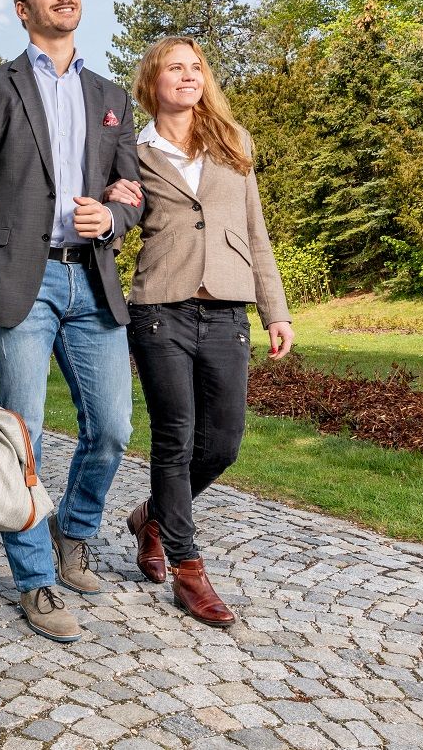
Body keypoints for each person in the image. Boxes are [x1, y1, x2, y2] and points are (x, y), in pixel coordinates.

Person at [0, 0, 143, 642]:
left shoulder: (113, 97)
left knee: (113, 426)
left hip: (91, 276)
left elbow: (131, 189)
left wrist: (111, 217)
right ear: (24, 9)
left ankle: (73, 529)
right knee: (19, 434)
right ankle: (35, 580)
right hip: (17, 283)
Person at [113, 36, 294, 626]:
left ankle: (152, 516)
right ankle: (188, 570)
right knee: (174, 437)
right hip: (160, 308)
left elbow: (255, 228)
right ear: (152, 82)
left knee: (223, 442)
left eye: (195, 68)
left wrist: (276, 309)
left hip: (226, 309)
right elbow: (115, 224)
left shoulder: (233, 142)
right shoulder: (131, 149)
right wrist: (112, 203)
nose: (187, 77)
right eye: (175, 68)